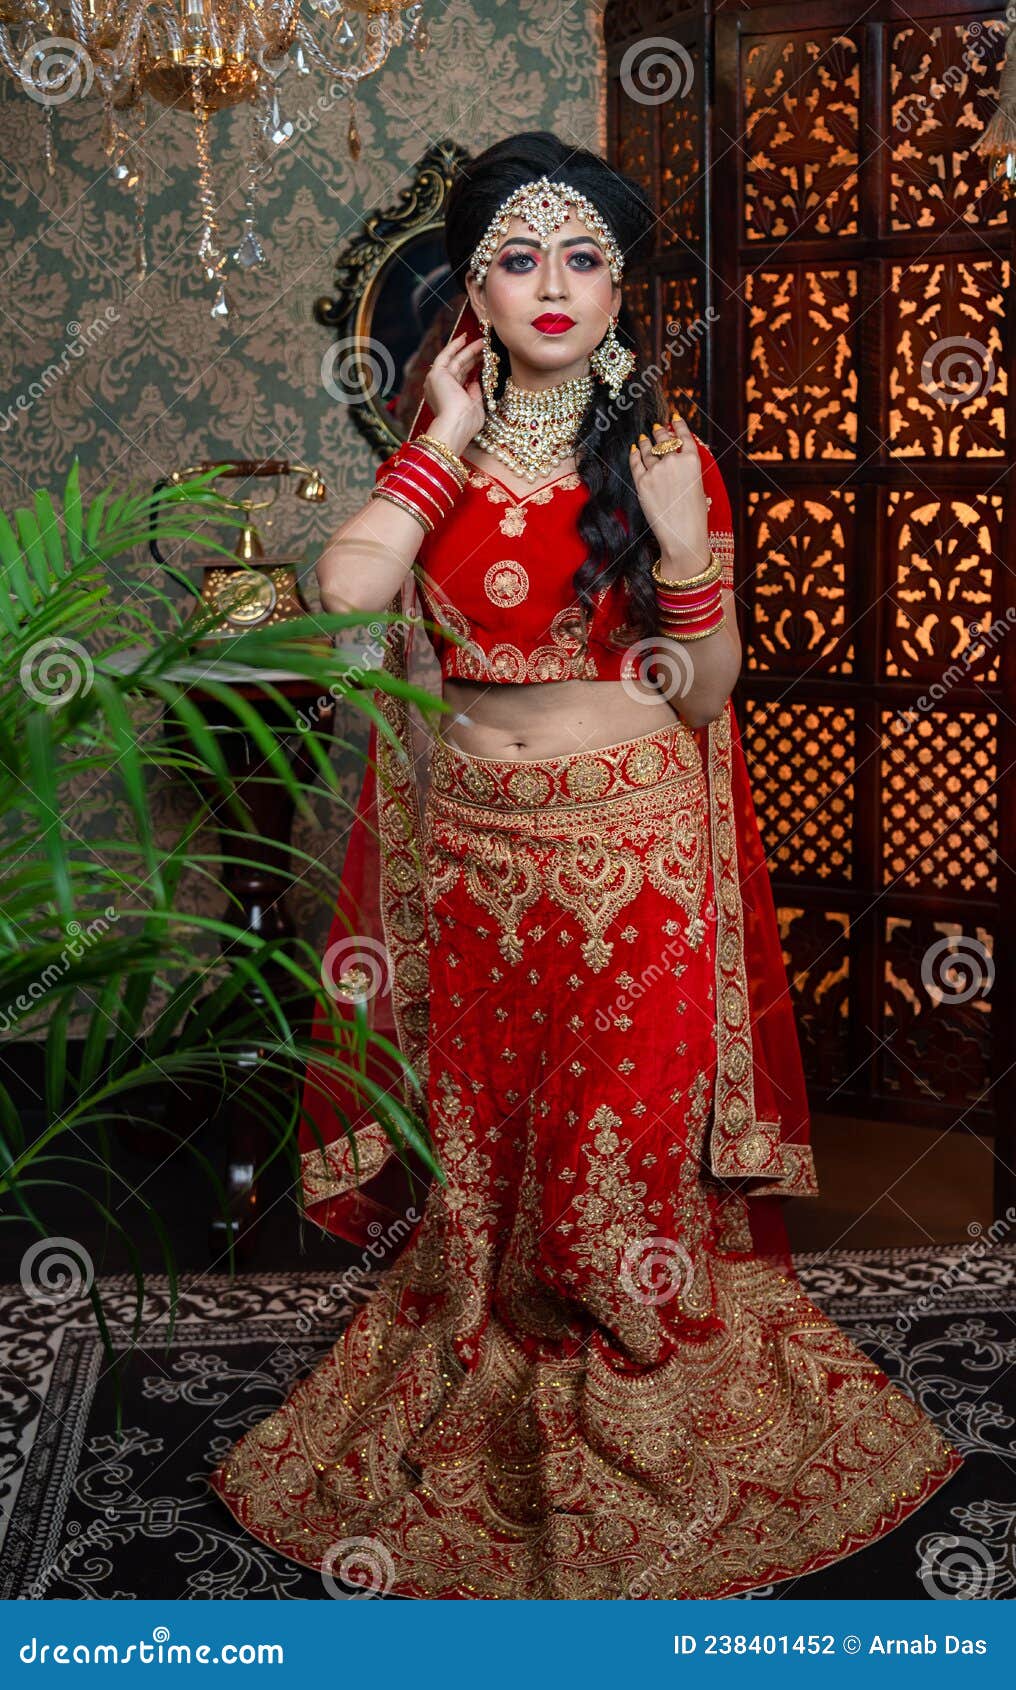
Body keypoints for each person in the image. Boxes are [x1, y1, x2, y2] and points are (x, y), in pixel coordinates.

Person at [208, 132, 964, 1600]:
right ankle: (498, 1351)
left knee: (616, 1163)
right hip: (479, 866)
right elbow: (343, 586)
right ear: (474, 288)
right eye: (516, 256)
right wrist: (433, 439)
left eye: (584, 256)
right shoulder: (436, 459)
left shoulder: (673, 460)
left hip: (633, 856)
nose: (552, 285)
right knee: (491, 1158)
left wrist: (686, 552)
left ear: (624, 285)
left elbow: (704, 688)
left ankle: (637, 1378)